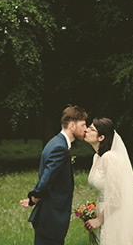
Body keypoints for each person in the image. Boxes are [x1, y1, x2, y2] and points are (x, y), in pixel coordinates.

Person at [20, 105, 87, 245]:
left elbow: (49, 178)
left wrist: (34, 198)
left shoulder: (56, 142)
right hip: (52, 218)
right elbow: (46, 180)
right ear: (72, 125)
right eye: (83, 125)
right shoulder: (60, 148)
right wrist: (34, 195)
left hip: (49, 216)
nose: (85, 129)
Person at [84, 117, 133, 245]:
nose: (86, 130)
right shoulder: (97, 157)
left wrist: (99, 220)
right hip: (104, 210)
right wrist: (93, 210)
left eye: (91, 129)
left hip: (115, 213)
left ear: (101, 137)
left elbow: (117, 194)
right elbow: (104, 187)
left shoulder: (109, 158)